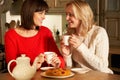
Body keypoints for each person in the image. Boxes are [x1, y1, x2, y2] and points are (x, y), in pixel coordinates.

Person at [4, 0, 65, 70]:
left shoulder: (46, 32)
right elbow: (12, 67)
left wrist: (58, 62)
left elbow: (61, 60)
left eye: (45, 13)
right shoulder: (11, 35)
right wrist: (33, 66)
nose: (44, 17)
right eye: (40, 13)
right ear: (29, 13)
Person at [60, 0, 113, 74]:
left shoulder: (99, 33)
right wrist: (67, 55)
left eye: (71, 15)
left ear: (82, 15)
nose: (67, 18)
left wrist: (80, 47)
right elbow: (71, 69)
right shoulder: (70, 35)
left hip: (100, 77)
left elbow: (102, 67)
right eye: (66, 14)